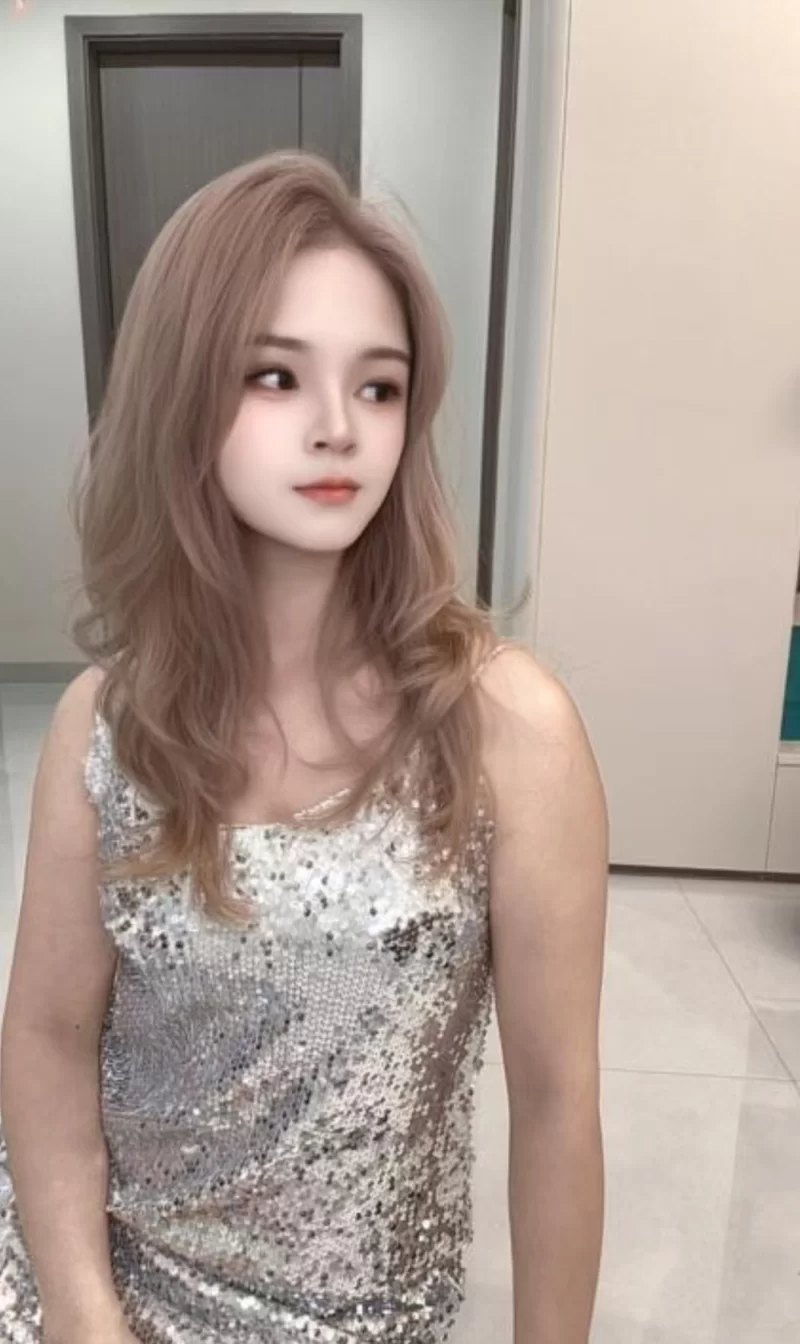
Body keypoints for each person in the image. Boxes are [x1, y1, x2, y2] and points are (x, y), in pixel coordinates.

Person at [0, 153, 608, 1344]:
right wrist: (80, 1308)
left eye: (377, 388)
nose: (337, 429)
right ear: (182, 393)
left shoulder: (507, 731)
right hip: (91, 1277)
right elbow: (48, 1034)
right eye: (274, 375)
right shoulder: (106, 726)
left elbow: (554, 1105)